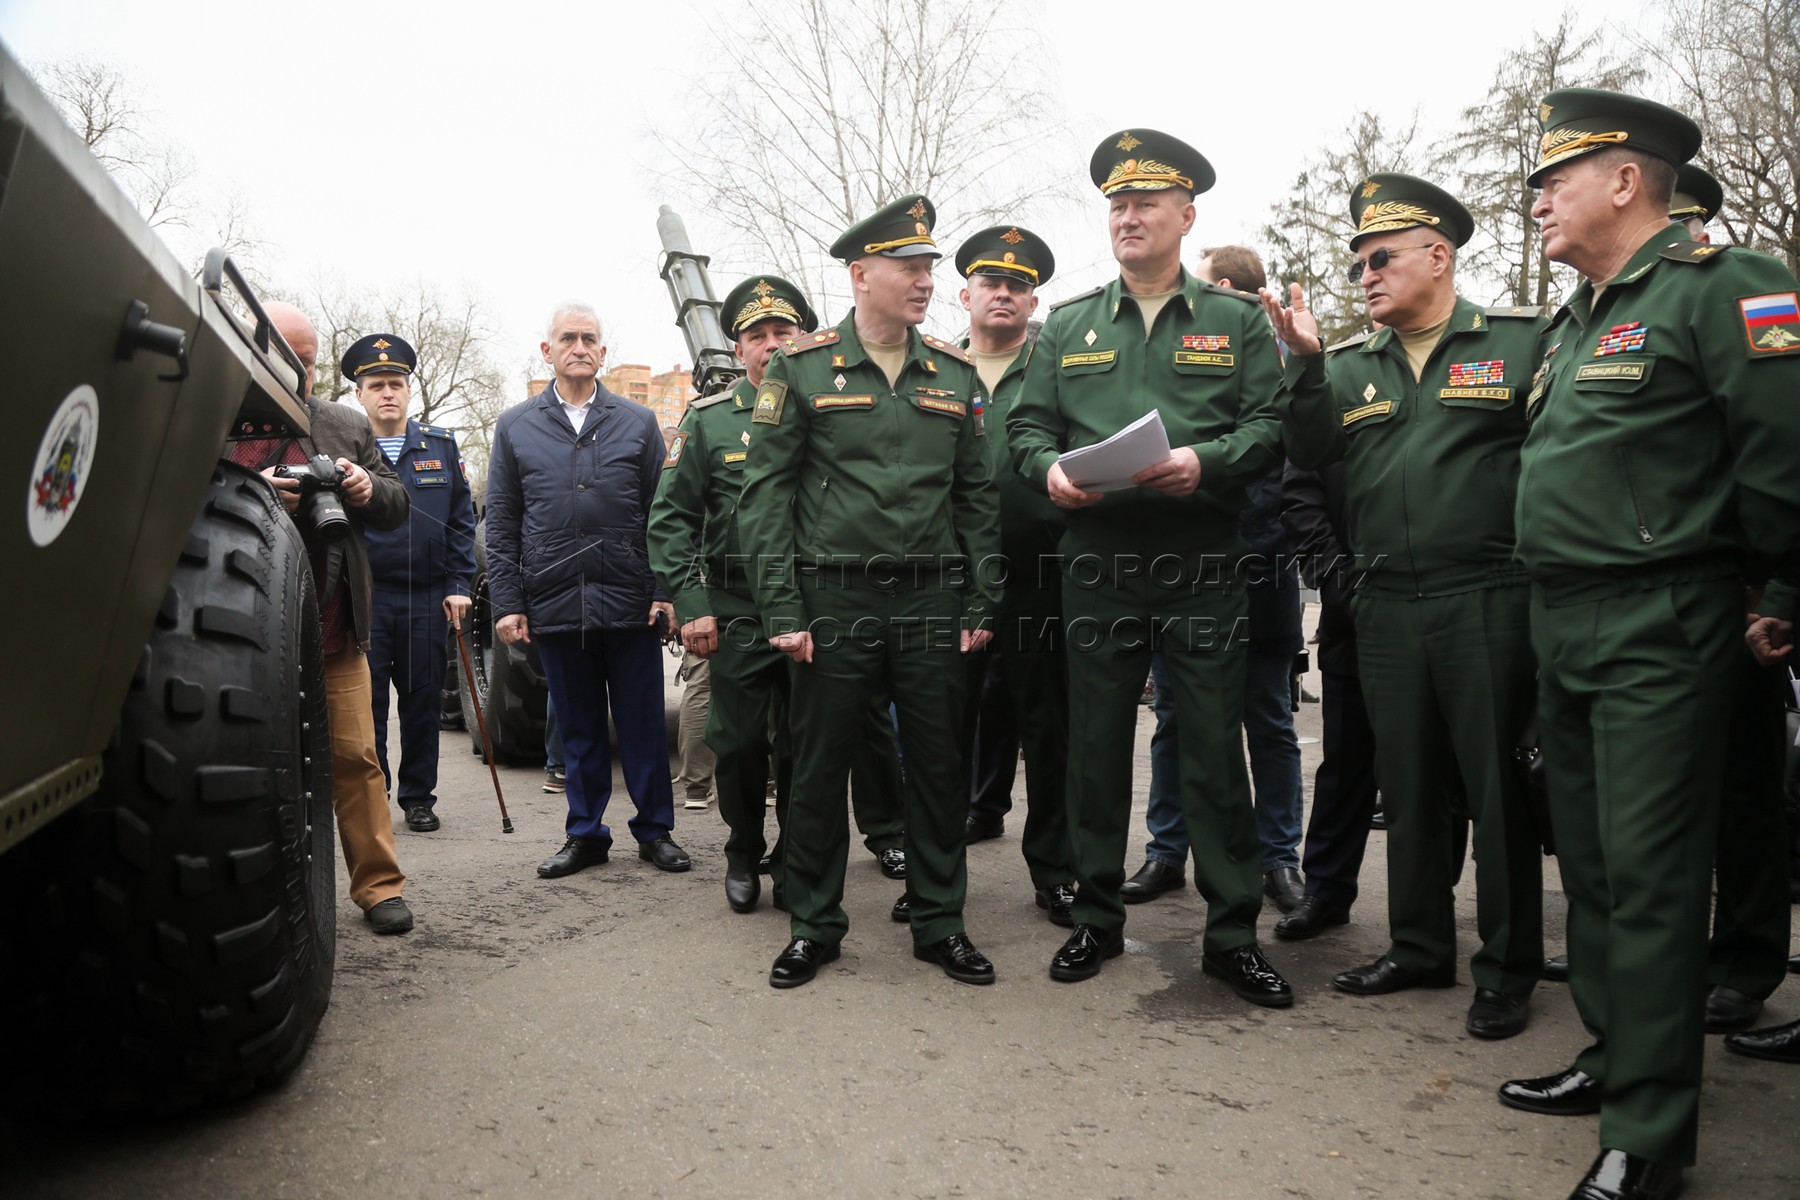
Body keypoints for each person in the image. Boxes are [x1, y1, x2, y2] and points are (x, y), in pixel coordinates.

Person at [1499, 88, 1800, 1200]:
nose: (1535, 200)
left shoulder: (1728, 285)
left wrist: (1779, 584)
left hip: (1664, 616)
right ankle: (1618, 1058)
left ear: (1626, 181)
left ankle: (1652, 1135)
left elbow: (1783, 447)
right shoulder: (1578, 316)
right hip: (1564, 617)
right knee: (1596, 874)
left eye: (1555, 179)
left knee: (1657, 877)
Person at [1007, 130, 1292, 1008]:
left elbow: (1271, 426)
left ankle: (1232, 933)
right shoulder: (1068, 324)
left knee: (1213, 749)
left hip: (1202, 560)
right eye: (1117, 205)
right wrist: (1049, 472)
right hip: (1096, 562)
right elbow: (1026, 429)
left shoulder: (1237, 322)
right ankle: (1097, 918)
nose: (1128, 216)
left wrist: (1207, 461)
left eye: (1146, 203)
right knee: (1096, 749)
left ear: (1187, 216)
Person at [1262, 172, 1546, 1041]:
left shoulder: (1524, 343)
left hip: (1488, 597)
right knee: (1410, 786)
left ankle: (1506, 966)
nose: (1367, 277)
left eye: (1381, 258)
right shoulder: (1348, 367)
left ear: (1440, 255)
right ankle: (1420, 945)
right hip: (1384, 605)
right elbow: (1303, 454)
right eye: (1358, 267)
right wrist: (1306, 367)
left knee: (1497, 795)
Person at [736, 194, 1002, 989]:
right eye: (909, 267)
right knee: (817, 769)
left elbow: (977, 499)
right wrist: (783, 610)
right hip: (833, 600)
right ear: (861, 275)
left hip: (929, 601)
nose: (926, 280)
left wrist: (981, 601)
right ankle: (815, 924)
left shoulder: (954, 374)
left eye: (928, 267)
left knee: (938, 765)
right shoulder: (801, 369)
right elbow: (765, 498)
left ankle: (939, 922)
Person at [1121, 245, 1306, 914]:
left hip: (1259, 570)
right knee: (1174, 715)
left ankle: (1280, 857)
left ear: (1227, 291)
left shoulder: (1286, 368)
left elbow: (1293, 470)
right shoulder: (1181, 367)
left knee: (1268, 718)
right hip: (1187, 571)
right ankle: (1166, 851)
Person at [486, 303, 689, 880]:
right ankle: (585, 833)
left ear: (603, 353)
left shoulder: (637, 422)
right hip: (554, 602)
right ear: (546, 351)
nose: (579, 346)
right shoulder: (516, 426)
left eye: (590, 339)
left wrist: (664, 591)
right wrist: (508, 602)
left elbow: (662, 513)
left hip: (630, 602)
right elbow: (501, 521)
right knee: (576, 727)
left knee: (643, 723)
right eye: (567, 338)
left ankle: (655, 831)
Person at [252, 303, 413, 934]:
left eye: (309, 362)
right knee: (254, 763)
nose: (298, 373)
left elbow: (397, 501)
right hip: (248, 633)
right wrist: (258, 488)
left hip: (336, 627)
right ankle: (264, 893)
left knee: (356, 756)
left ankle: (379, 886)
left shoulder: (347, 425)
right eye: (284, 358)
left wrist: (369, 490)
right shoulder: (218, 418)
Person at [950, 224, 1077, 925]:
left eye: (1019, 286)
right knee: (944, 732)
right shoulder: (933, 369)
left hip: (1040, 578)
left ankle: (1056, 870)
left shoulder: (1057, 368)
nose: (1004, 293)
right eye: (992, 283)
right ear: (964, 293)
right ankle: (937, 873)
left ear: (1034, 302)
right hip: (950, 580)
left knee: (1048, 730)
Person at [350, 333, 476, 834]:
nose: (387, 392)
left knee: (422, 702)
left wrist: (459, 582)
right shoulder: (347, 449)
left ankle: (418, 796)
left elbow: (463, 521)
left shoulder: (440, 446)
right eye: (376, 384)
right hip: (366, 599)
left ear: (408, 390)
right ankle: (373, 792)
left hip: (427, 597)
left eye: (396, 383)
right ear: (358, 395)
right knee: (369, 704)